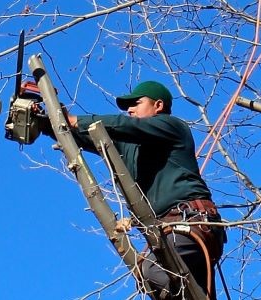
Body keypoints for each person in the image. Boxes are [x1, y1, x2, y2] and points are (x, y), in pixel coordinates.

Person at [36, 81, 225, 299]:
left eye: (136, 103)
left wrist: (76, 120)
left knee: (153, 272)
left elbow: (124, 126)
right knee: (178, 289)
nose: (129, 110)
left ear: (158, 106)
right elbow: (91, 138)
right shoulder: (131, 147)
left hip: (191, 222)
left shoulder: (172, 127)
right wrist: (49, 123)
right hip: (170, 230)